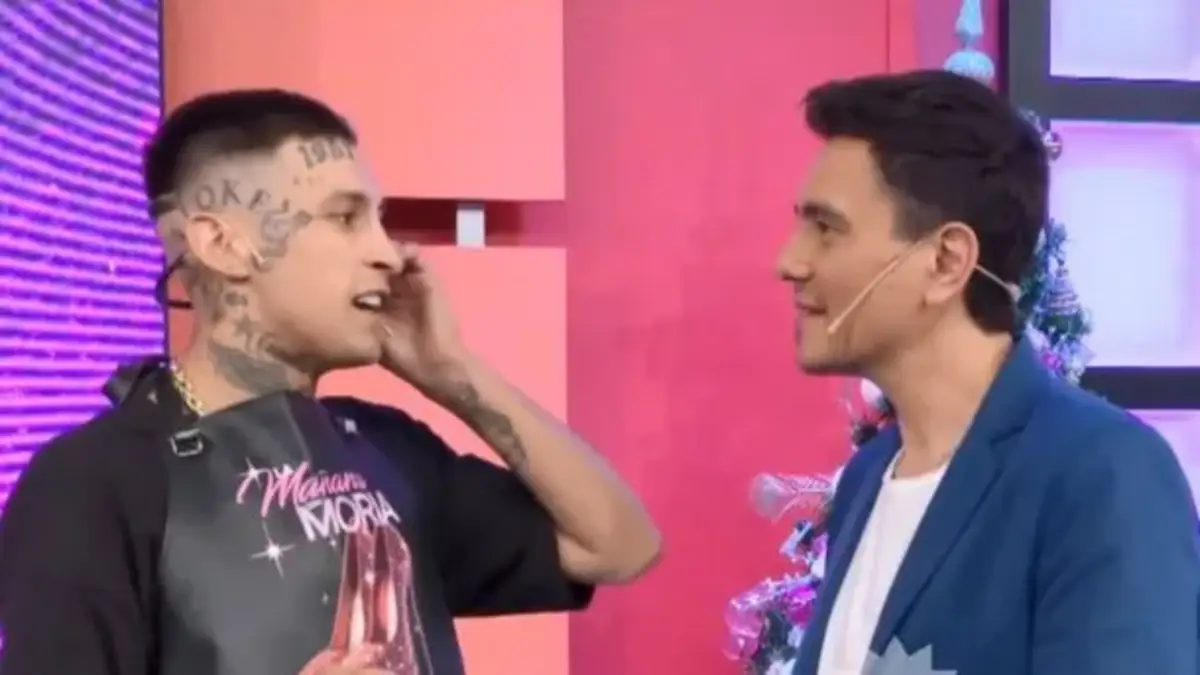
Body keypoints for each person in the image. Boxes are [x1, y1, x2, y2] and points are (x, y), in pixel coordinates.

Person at [0, 89, 661, 675]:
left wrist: (456, 374)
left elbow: (618, 546)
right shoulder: (94, 484)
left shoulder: (385, 449)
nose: (387, 252)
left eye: (378, 219)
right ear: (222, 244)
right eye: (345, 218)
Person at [776, 70, 1199, 675]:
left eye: (826, 229)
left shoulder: (1103, 474)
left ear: (946, 261)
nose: (789, 261)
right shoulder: (865, 479)